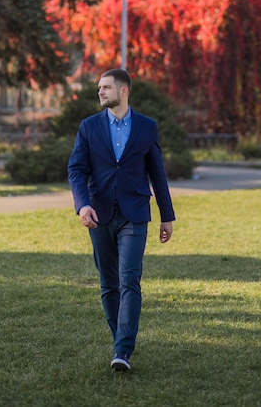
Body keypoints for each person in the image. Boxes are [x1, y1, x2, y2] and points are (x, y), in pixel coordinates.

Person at [68, 69, 176, 373]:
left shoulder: (146, 127)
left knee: (129, 279)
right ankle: (122, 341)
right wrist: (82, 206)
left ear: (123, 90)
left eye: (106, 88)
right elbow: (76, 169)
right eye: (99, 88)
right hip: (99, 214)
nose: (100, 92)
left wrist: (167, 216)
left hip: (135, 214)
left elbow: (157, 172)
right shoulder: (88, 127)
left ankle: (122, 350)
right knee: (108, 283)